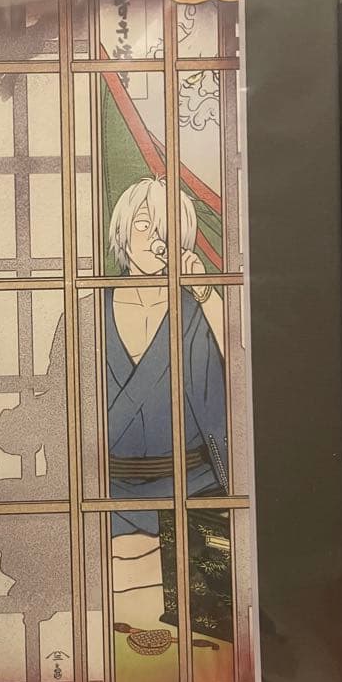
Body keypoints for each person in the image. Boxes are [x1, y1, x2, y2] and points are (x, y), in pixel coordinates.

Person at [105, 177, 228, 538]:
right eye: (143, 224)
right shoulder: (88, 311)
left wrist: (206, 293)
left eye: (165, 228)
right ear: (122, 230)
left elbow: (244, 365)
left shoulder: (197, 307)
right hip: (107, 491)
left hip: (195, 487)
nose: (154, 238)